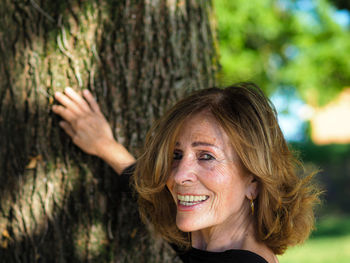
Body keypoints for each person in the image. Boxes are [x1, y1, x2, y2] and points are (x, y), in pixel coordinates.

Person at [52, 83, 320, 263]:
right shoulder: (207, 240)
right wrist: (105, 147)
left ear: (254, 180)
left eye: (206, 156)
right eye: (176, 155)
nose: (179, 176)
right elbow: (141, 190)